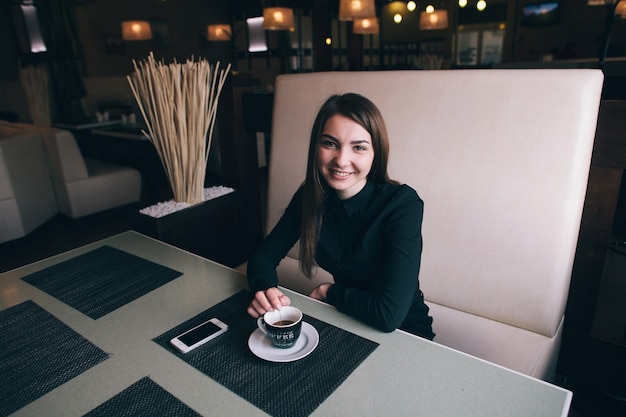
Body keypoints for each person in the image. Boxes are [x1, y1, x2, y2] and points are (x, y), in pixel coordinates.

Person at [246, 93, 434, 340]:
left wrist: (329, 292)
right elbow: (262, 257)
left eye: (358, 147)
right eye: (330, 143)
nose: (341, 160)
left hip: (406, 336)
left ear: (375, 152)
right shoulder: (311, 196)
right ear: (317, 146)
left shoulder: (402, 204)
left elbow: (389, 314)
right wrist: (265, 290)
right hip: (346, 323)